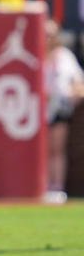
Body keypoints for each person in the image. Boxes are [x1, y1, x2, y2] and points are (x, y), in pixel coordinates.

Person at [44, 20, 83, 204]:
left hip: (59, 107)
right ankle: (39, 185)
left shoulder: (64, 57)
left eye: (50, 35)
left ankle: (57, 187)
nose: (47, 38)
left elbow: (77, 81)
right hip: (36, 109)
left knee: (56, 149)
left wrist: (73, 96)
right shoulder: (34, 55)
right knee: (39, 150)